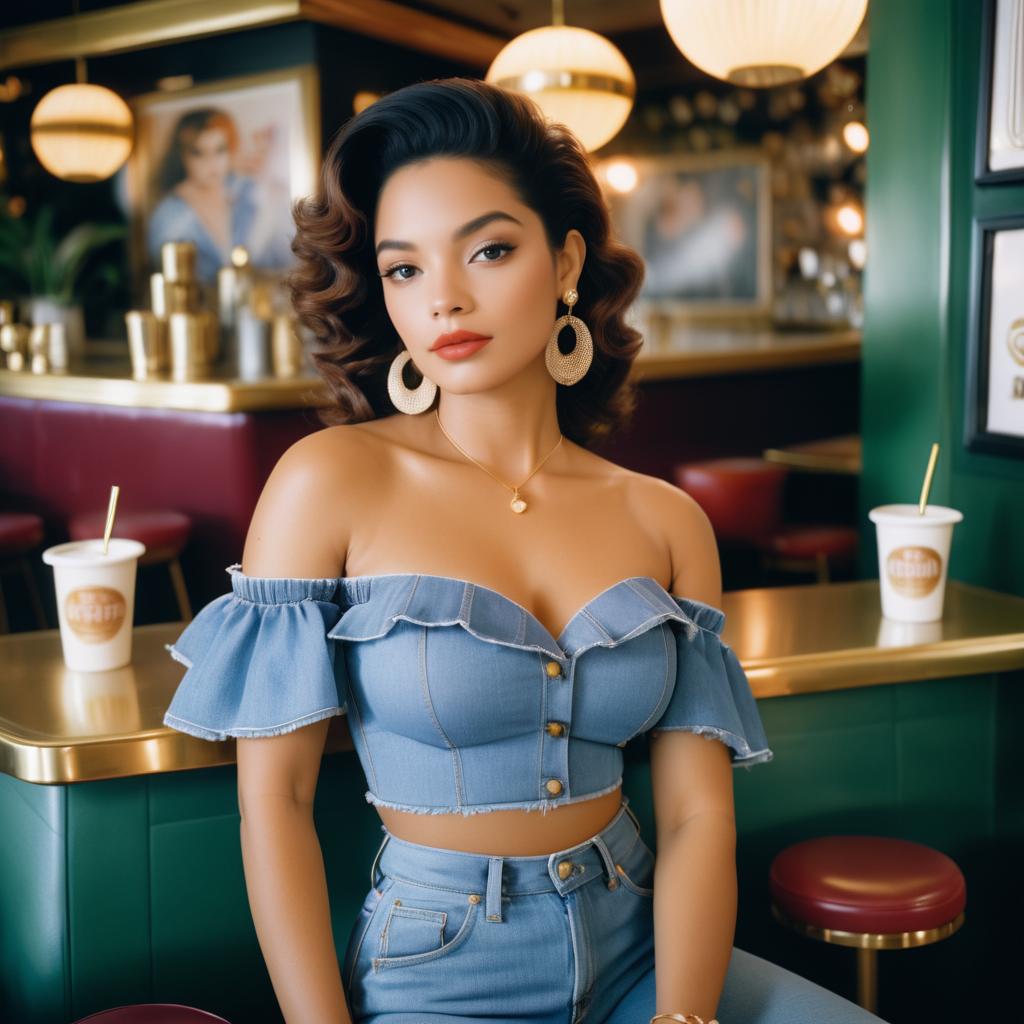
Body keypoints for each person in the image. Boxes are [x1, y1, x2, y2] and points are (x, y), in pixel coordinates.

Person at [162, 78, 888, 1024]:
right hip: (441, 964)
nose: (445, 298)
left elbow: (696, 814)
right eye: (405, 269)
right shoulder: (327, 480)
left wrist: (686, 1012)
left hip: (643, 947)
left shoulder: (665, 520)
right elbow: (277, 807)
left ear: (566, 261)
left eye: (490, 249)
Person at [147, 107, 293, 282]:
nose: (211, 162)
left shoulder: (249, 192)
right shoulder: (170, 215)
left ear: (231, 148)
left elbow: (287, 255)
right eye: (198, 152)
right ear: (183, 155)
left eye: (220, 150)